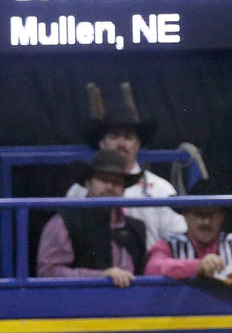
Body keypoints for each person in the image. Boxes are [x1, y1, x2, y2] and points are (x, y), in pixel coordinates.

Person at [66, 82, 187, 248]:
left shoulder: (161, 190)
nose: (121, 143)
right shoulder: (78, 191)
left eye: (128, 137)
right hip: (96, 272)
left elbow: (178, 238)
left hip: (148, 270)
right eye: (114, 136)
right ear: (102, 143)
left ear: (137, 145)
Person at [38, 149, 146, 288]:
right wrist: (99, 276)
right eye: (103, 179)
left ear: (124, 188)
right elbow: (48, 272)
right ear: (87, 183)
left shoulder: (136, 227)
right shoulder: (64, 222)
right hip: (79, 304)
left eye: (117, 182)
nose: (110, 186)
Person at [144, 176, 232, 286]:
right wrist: (197, 266)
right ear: (185, 215)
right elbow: (153, 267)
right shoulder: (168, 246)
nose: (206, 222)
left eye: (212, 215)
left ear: (222, 216)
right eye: (199, 214)